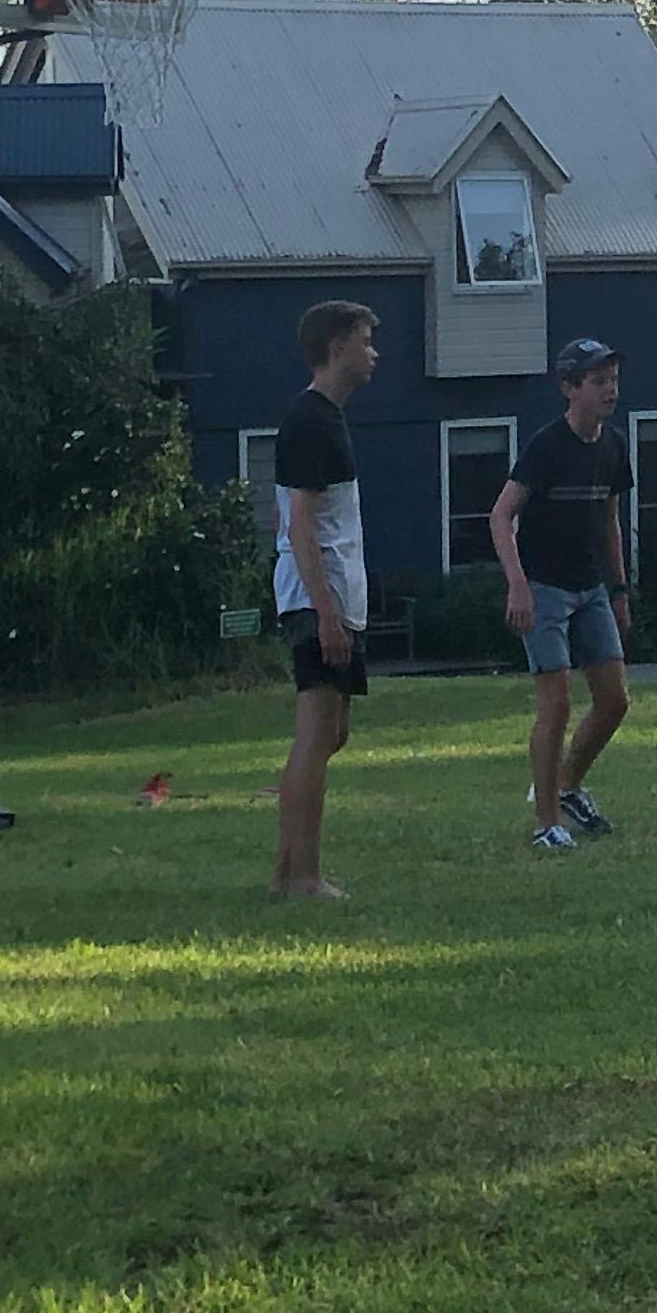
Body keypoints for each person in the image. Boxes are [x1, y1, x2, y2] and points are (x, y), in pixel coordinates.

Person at [490, 337, 636, 854]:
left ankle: (567, 785)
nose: (609, 390)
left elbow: (610, 520)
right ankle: (546, 823)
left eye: (613, 381)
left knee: (614, 700)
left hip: (590, 587)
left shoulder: (614, 445)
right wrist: (518, 584)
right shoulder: (547, 446)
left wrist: (619, 589)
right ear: (570, 388)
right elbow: (501, 515)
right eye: (598, 381)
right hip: (544, 589)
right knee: (556, 704)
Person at [269, 300, 379, 902]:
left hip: (337, 596)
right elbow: (300, 525)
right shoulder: (309, 420)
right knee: (315, 735)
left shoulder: (328, 419)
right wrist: (326, 613)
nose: (373, 353)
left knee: (332, 733)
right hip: (319, 597)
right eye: (365, 341)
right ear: (336, 347)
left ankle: (286, 872)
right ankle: (304, 879)